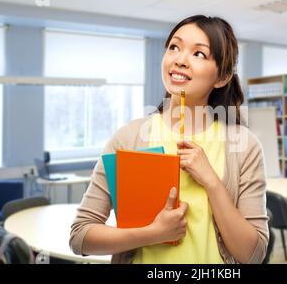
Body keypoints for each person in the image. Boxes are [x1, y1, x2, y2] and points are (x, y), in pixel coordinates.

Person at [70, 15, 269, 264]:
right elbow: (80, 237)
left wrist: (212, 182)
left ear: (223, 76)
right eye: (174, 47)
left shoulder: (244, 146)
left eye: (199, 54)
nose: (180, 60)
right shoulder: (128, 138)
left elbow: (253, 255)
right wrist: (153, 233)